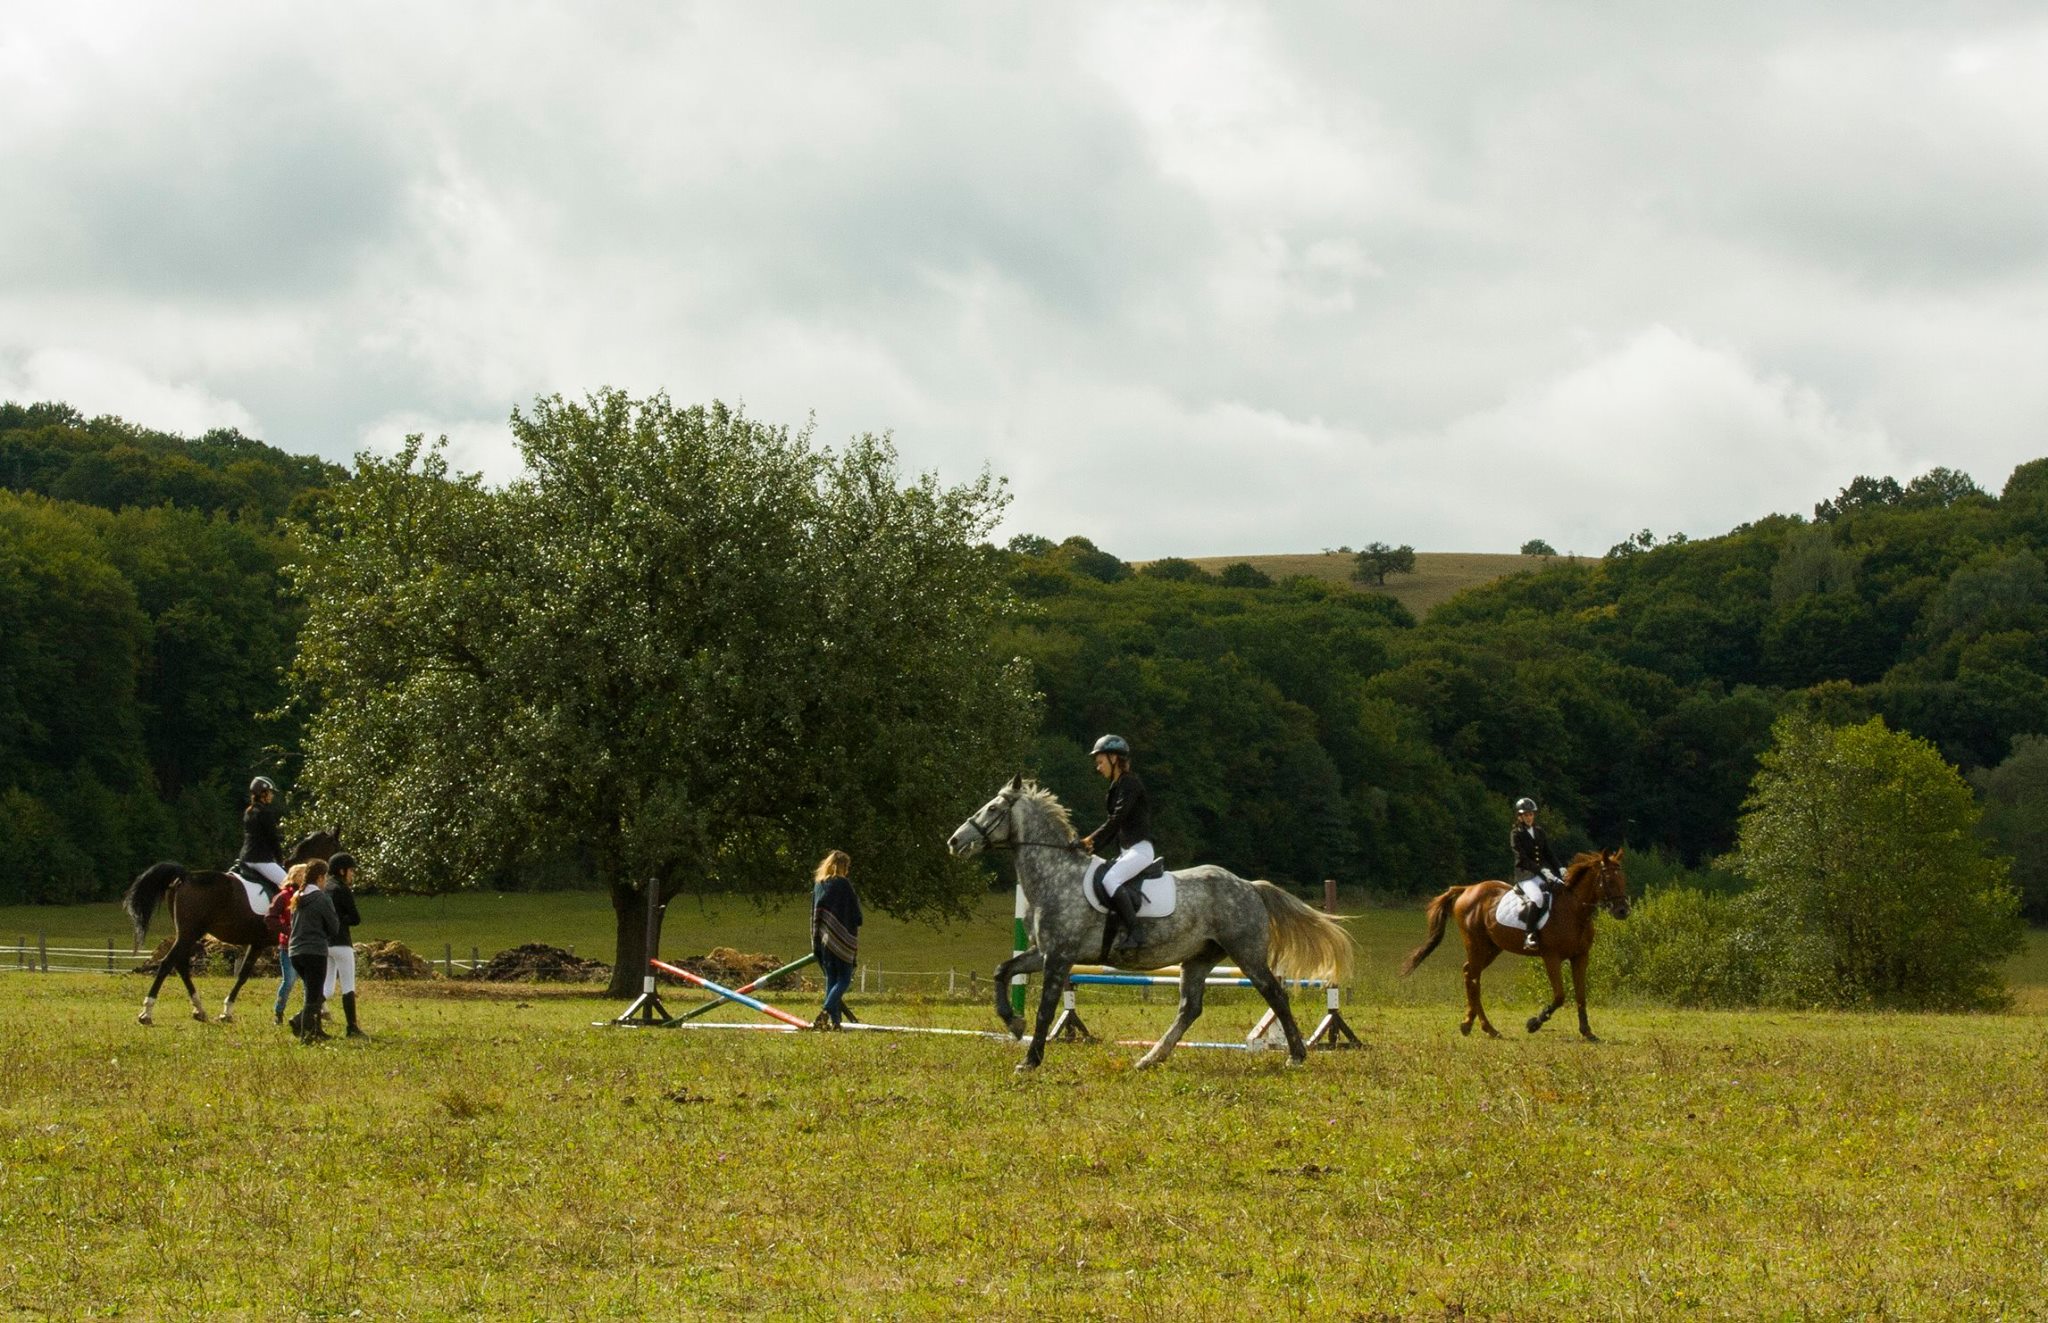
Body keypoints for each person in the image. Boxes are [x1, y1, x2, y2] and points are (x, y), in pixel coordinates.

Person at [1077, 733, 1154, 961]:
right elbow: (1114, 827)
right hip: (1127, 851)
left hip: (1140, 849)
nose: (1098, 768)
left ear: (1113, 758)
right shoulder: (1116, 787)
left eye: (1100, 762)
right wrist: (1092, 847)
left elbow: (1116, 820)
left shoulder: (1130, 783)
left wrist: (1090, 840)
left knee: (1109, 880)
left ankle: (1136, 932)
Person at [287, 859, 342, 1043]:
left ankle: (317, 1030)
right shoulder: (321, 898)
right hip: (314, 950)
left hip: (295, 951)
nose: (326, 881)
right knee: (313, 995)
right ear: (320, 877)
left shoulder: (297, 896)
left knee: (315, 992)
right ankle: (303, 1029)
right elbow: (334, 927)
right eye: (325, 877)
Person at [810, 850, 863, 1030]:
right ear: (842, 866)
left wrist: (816, 941)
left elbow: (815, 914)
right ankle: (825, 1011)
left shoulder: (819, 885)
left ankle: (836, 1023)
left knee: (831, 979)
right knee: (844, 979)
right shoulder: (843, 885)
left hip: (824, 940)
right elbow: (856, 914)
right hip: (842, 940)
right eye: (847, 867)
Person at [321, 852, 367, 1038]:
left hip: (325, 943)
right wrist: (341, 920)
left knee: (327, 989)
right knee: (348, 986)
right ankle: (352, 1027)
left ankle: (303, 1016)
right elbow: (355, 918)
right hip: (341, 943)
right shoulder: (342, 889)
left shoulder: (323, 888)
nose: (352, 874)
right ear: (342, 871)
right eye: (351, 870)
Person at [1510, 796, 1564, 951]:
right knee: (1538, 898)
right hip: (1525, 875)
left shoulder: (1539, 831)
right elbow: (1522, 859)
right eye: (1526, 815)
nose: (1529, 817)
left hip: (1541, 874)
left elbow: (1548, 853)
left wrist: (1560, 868)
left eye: (1531, 814)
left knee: (1559, 891)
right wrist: (1541, 870)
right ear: (1520, 816)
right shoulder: (1516, 833)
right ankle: (1529, 935)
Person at [268, 862, 316, 1024]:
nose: (305, 878)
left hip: (307, 945)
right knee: (288, 981)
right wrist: (287, 930)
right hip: (288, 946)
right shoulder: (283, 897)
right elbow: (270, 917)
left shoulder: (308, 895)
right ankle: (278, 1011)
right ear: (295, 877)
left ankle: (307, 1015)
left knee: (309, 983)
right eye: (303, 874)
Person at [237, 776, 287, 899]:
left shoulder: (248, 811)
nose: (272, 795)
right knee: (291, 884)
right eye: (270, 792)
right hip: (261, 859)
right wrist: (280, 860)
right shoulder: (265, 813)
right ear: (263, 793)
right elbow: (273, 840)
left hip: (245, 858)